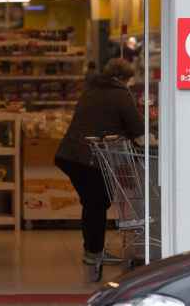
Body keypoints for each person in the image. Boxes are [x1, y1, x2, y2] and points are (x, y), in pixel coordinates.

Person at [54, 58, 144, 279]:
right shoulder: (120, 94)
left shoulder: (91, 90)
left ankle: (92, 250)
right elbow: (136, 126)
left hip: (70, 155)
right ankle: (93, 254)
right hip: (90, 158)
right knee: (97, 203)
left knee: (93, 203)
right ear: (123, 78)